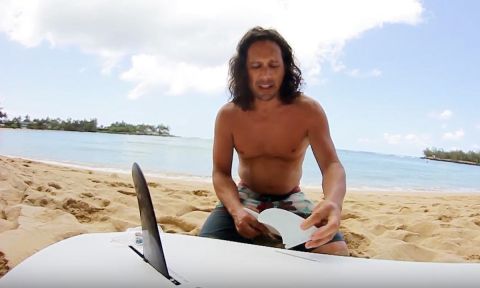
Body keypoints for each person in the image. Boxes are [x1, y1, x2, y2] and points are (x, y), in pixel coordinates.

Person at [199, 26, 348, 256]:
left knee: (335, 254)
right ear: (244, 71)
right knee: (206, 251)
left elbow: (332, 165)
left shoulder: (309, 111)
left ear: (285, 68)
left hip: (291, 198)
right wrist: (237, 211)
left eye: (273, 66)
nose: (266, 76)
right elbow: (220, 172)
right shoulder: (229, 115)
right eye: (256, 66)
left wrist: (334, 203)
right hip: (245, 196)